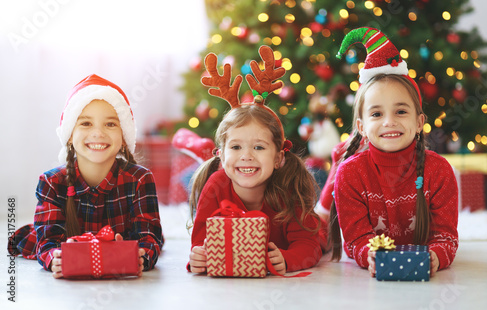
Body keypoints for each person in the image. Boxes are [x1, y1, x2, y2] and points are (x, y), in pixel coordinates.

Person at [330, 28, 459, 277]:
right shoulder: (350, 173)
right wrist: (369, 255)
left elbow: (445, 237)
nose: (389, 122)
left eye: (401, 111)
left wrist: (436, 257)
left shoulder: (439, 171)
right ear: (361, 127)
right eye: (377, 114)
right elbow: (356, 238)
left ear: (420, 122)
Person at [8, 74, 163, 278]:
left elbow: (148, 237)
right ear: (70, 135)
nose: (98, 133)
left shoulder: (140, 180)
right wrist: (55, 258)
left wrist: (141, 256)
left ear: (124, 137)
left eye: (110, 124)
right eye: (86, 124)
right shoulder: (52, 182)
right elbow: (48, 241)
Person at [188, 46, 322, 275]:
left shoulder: (288, 187)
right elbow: (200, 242)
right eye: (236, 146)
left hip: (312, 235)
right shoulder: (216, 185)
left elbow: (309, 245)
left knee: (323, 231)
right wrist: (199, 258)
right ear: (221, 155)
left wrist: (288, 259)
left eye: (258, 147)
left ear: (279, 158)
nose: (246, 155)